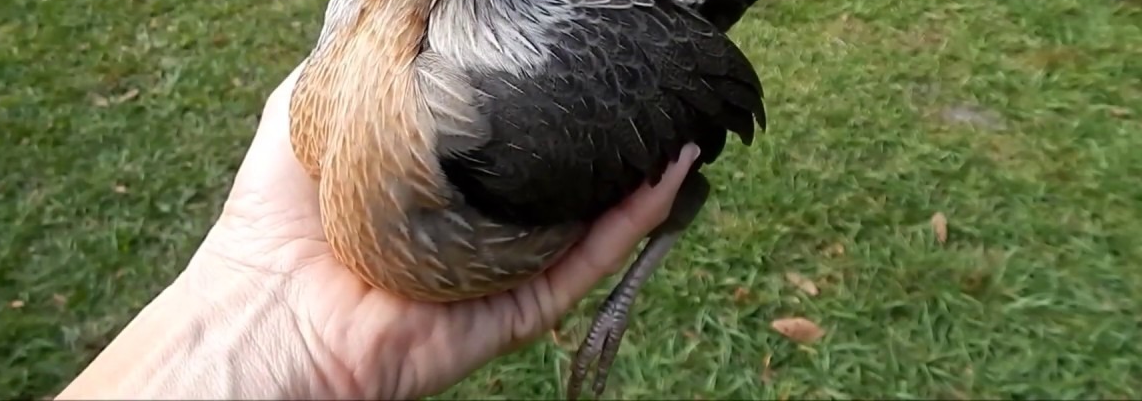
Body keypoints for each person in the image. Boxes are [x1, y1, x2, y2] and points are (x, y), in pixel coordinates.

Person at [57, 62, 700, 400]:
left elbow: (684, 168)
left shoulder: (521, 127)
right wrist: (272, 303)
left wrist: (618, 302)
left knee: (653, 180)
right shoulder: (333, 103)